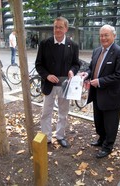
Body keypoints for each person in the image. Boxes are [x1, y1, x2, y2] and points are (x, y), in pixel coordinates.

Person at [80, 24, 120, 158]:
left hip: (111, 96)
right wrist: (86, 74)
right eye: (101, 35)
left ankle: (108, 146)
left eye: (106, 35)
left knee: (110, 123)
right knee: (99, 121)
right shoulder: (96, 51)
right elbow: (91, 68)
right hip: (96, 94)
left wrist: (100, 81)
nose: (103, 38)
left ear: (114, 36)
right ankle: (101, 139)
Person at [35, 17, 80, 147]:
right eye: (56, 27)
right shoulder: (44, 44)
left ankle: (60, 136)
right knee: (46, 112)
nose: (58, 29)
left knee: (63, 113)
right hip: (49, 84)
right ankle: (46, 137)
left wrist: (72, 71)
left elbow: (76, 64)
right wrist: (47, 75)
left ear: (66, 29)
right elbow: (39, 65)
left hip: (65, 85)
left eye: (61, 27)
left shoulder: (73, 45)